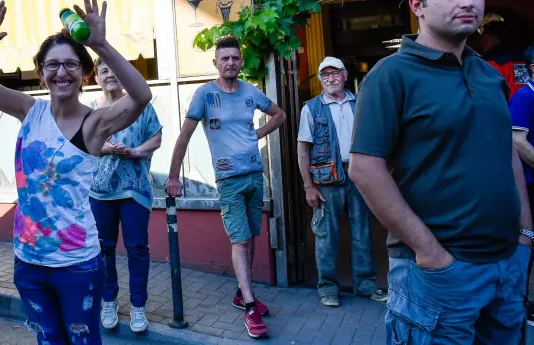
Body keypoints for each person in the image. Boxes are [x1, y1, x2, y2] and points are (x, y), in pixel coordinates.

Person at [348, 0, 533, 344]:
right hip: (438, 273)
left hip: (506, 264)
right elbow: (365, 169)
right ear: (418, 5)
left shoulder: (487, 75)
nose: (467, 1)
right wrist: (430, 252)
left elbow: (507, 153)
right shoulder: (391, 76)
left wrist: (525, 235)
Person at [0, 0, 152, 345]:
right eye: (52, 64)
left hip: (77, 264)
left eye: (71, 65)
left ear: (84, 73)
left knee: (82, 342)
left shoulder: (95, 125)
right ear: (41, 72)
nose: (61, 72)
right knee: (48, 341)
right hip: (28, 262)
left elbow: (141, 96)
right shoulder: (28, 111)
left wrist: (102, 45)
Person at [165, 35, 286, 340]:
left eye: (235, 57)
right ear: (216, 63)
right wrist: (174, 176)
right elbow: (184, 137)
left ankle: (241, 293)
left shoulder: (249, 92)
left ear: (241, 62)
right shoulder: (205, 95)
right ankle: (249, 307)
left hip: (254, 175)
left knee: (251, 237)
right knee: (241, 241)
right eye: (225, 58)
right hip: (229, 180)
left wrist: (254, 135)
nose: (230, 62)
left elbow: (280, 115)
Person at [297, 56, 386, 308]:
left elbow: (377, 138)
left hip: (360, 175)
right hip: (327, 180)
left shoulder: (360, 103)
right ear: (320, 80)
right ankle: (327, 288)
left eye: (334, 73)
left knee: (363, 233)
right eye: (325, 75)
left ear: (345, 75)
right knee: (326, 236)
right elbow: (303, 149)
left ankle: (366, 286)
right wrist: (308, 186)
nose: (330, 79)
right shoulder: (311, 108)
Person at [90, 57, 162, 333]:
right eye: (103, 71)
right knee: (103, 248)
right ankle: (108, 301)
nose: (110, 75)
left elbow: (156, 137)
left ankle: (138, 306)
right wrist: (105, 148)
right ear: (96, 77)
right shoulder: (90, 111)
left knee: (137, 249)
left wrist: (137, 152)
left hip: (135, 190)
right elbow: (82, 144)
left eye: (113, 70)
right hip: (100, 192)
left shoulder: (140, 104)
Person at [508, 44, 534, 315]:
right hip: (529, 184)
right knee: (527, 242)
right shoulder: (523, 98)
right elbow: (518, 142)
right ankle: (521, 303)